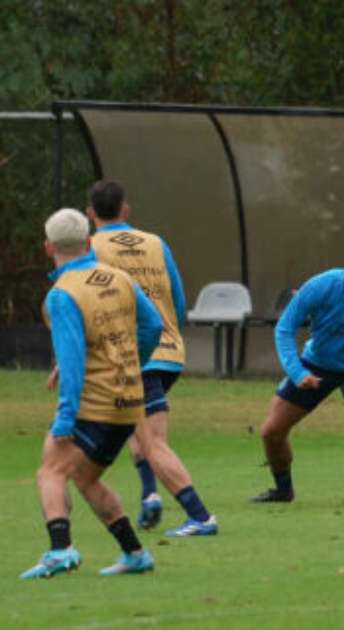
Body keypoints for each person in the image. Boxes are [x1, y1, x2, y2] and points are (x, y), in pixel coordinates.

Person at [22, 208, 162, 579]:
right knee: (85, 478)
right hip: (130, 400)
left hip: (94, 404)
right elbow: (153, 326)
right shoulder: (120, 278)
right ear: (87, 242)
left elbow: (72, 361)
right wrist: (131, 364)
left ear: (48, 248)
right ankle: (134, 553)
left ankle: (60, 550)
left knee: (50, 472)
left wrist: (65, 416)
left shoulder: (62, 294)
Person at [82, 180, 218, 536]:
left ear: (90, 213)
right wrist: (173, 329)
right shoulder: (156, 243)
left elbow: (91, 301)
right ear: (126, 210)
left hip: (132, 354)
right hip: (169, 351)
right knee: (136, 428)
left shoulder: (91, 248)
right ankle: (150, 496)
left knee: (153, 441)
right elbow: (178, 298)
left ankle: (200, 516)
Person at [249, 234, 344, 507]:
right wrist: (297, 373)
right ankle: (283, 490)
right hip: (316, 365)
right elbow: (284, 328)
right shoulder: (320, 286)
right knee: (271, 432)